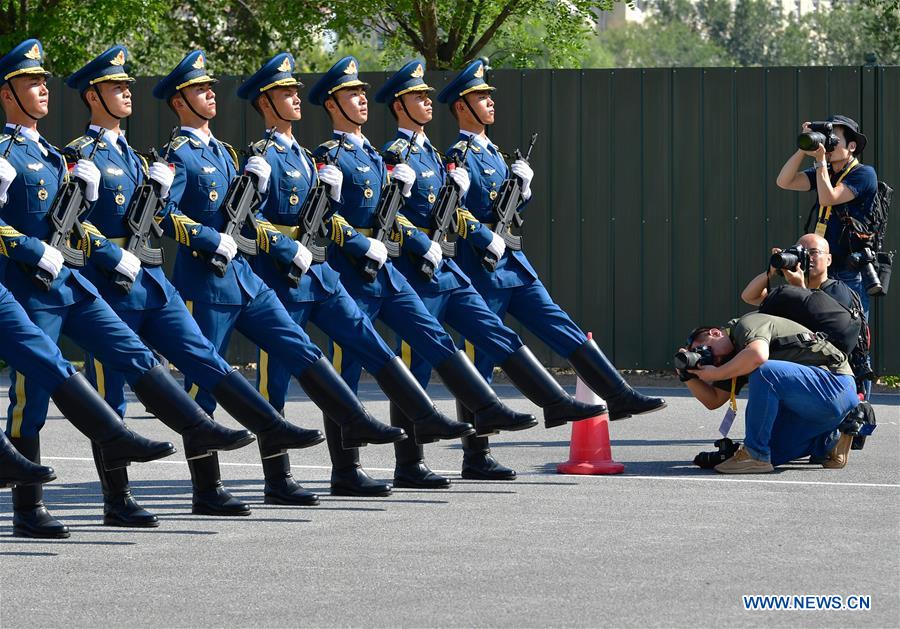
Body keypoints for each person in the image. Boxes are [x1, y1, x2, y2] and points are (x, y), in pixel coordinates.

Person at [63, 46, 332, 520]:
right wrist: (118, 250)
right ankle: (117, 499)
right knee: (112, 396)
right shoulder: (84, 155)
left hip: (156, 278)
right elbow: (85, 222)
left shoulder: (146, 155)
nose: (126, 92)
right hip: (109, 283)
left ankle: (213, 485)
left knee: (204, 370)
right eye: (116, 86)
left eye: (128, 85)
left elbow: (170, 215)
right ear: (93, 95)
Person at [0, 39, 247, 537]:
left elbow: (98, 220)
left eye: (45, 81)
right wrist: (35, 250)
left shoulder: (60, 154)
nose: (43, 89)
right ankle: (30, 506)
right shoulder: (16, 153)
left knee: (134, 363)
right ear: (7, 94)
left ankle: (142, 476)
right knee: (34, 397)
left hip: (76, 281)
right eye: (31, 82)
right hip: (29, 286)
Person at [308, 56, 585, 491]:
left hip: (391, 268)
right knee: (348, 372)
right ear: (331, 104)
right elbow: (326, 218)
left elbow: (398, 213)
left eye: (362, 92)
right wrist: (369, 242)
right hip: (350, 272)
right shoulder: (331, 155)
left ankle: (416, 459)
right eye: (350, 94)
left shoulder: (382, 156)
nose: (360, 99)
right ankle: (346, 469)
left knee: (414, 355)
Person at [151, 50, 415, 505]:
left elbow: (248, 215)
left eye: (210, 87)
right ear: (179, 102)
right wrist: (207, 239)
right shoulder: (182, 154)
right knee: (206, 385)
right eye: (199, 89)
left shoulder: (226, 152)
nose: (210, 93)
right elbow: (162, 215)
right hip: (205, 281)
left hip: (247, 279)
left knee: (303, 351)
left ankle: (347, 426)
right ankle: (210, 488)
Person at [237, 52, 477, 495]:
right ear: (266, 102)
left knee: (356, 354)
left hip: (322, 271)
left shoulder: (310, 158)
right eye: (287, 93)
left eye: (295, 91)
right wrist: (290, 247)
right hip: (278, 277)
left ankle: (363, 458)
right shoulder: (262, 156)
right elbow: (246, 218)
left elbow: (326, 213)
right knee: (275, 379)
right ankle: (279, 476)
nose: (295, 98)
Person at [373, 60, 606, 481]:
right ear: (399, 106)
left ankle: (475, 452)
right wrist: (425, 240)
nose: (426, 101)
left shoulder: (434, 153)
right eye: (417, 97)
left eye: (428, 95)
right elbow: (394, 215)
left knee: (459, 351)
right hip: (415, 267)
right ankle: (409, 462)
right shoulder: (396, 154)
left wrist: (524, 190)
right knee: (418, 363)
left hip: (445, 263)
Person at [436, 60, 666, 466]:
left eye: (489, 96)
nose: (490, 103)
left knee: (561, 325)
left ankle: (619, 395)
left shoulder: (496, 153)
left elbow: (507, 207)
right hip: (482, 267)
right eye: (480, 98)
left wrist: (522, 189)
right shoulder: (457, 156)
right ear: (460, 107)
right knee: (484, 358)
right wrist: (480, 235)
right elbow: (451, 210)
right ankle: (477, 454)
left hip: (514, 262)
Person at [679, 312, 858, 473]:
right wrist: (687, 376)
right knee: (772, 453)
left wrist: (716, 373)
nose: (711, 358)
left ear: (715, 333)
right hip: (812, 408)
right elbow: (714, 400)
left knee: (764, 371)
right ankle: (830, 440)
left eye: (705, 350)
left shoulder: (747, 324)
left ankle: (755, 455)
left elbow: (758, 356)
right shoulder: (730, 359)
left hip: (835, 383)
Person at [741, 232, 871, 397]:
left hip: (832, 374)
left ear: (829, 259)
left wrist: (800, 288)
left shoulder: (839, 291)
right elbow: (749, 296)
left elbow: (828, 329)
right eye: (802, 252)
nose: (808, 257)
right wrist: (771, 271)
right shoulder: (793, 291)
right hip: (801, 369)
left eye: (814, 252)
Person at [775, 114, 878, 318]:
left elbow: (827, 198)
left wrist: (821, 161)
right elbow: (784, 181)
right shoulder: (826, 172)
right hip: (822, 267)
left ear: (852, 146)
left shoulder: (864, 174)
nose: (828, 146)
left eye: (834, 140)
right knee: (819, 326)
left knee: (851, 333)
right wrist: (802, 150)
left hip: (851, 269)